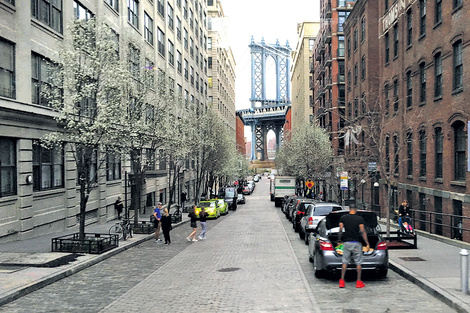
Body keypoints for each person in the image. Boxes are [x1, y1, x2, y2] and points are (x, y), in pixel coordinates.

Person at [338, 206, 370, 288]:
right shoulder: (359, 219)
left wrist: (339, 240)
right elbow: (362, 231)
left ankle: (342, 281)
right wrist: (367, 243)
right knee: (358, 262)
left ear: (349, 209)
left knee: (345, 261)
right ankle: (358, 282)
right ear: (356, 210)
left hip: (346, 242)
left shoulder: (343, 218)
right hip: (356, 242)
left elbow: (341, 229)